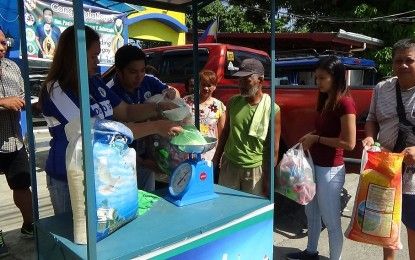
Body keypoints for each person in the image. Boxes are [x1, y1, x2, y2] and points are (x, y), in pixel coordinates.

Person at [39, 26, 182, 214]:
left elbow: (126, 111)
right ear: (74, 56)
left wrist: (157, 108)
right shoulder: (56, 90)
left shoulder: (94, 81)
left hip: (101, 176)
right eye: (93, 56)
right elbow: (98, 132)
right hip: (69, 180)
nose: (97, 62)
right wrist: (156, 126)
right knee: (77, 239)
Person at [286, 56, 356, 260]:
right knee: (311, 213)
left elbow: (349, 143)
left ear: (336, 77)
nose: (318, 82)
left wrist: (316, 138)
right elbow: (324, 129)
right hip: (314, 165)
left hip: (330, 170)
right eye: (316, 78)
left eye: (322, 78)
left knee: (331, 219)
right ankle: (311, 251)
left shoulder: (345, 103)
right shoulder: (326, 99)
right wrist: (310, 136)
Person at [362, 38, 415, 260]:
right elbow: (372, 118)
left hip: (413, 178)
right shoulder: (382, 88)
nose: (402, 65)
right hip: (385, 170)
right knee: (386, 225)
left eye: (409, 60)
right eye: (398, 60)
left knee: (413, 227)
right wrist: (368, 137)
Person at [107, 44, 179, 191]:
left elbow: (173, 92)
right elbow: (117, 130)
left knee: (149, 200)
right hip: (120, 161)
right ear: (119, 71)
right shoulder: (109, 92)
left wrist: (171, 94)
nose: (139, 76)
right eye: (133, 72)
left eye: (142, 70)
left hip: (147, 156)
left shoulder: (149, 81)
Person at [213, 58, 281, 196]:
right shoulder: (233, 102)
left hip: (255, 170)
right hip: (230, 166)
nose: (241, 84)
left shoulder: (272, 110)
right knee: (227, 207)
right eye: (239, 79)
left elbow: (274, 148)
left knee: (251, 212)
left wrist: (268, 179)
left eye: (247, 80)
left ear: (260, 81)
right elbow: (226, 132)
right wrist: (216, 159)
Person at [0, 28, 34, 256]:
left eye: (3, 42)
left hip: (14, 140)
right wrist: (3, 102)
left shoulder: (13, 68)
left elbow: (20, 96)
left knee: (22, 185)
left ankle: (29, 225)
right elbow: (9, 101)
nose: (2, 47)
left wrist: (22, 103)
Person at [183, 69, 226, 162]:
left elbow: (222, 133)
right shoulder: (186, 101)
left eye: (209, 85)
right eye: (203, 84)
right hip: (188, 150)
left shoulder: (219, 105)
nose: (206, 88)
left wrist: (220, 154)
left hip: (209, 153)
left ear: (215, 86)